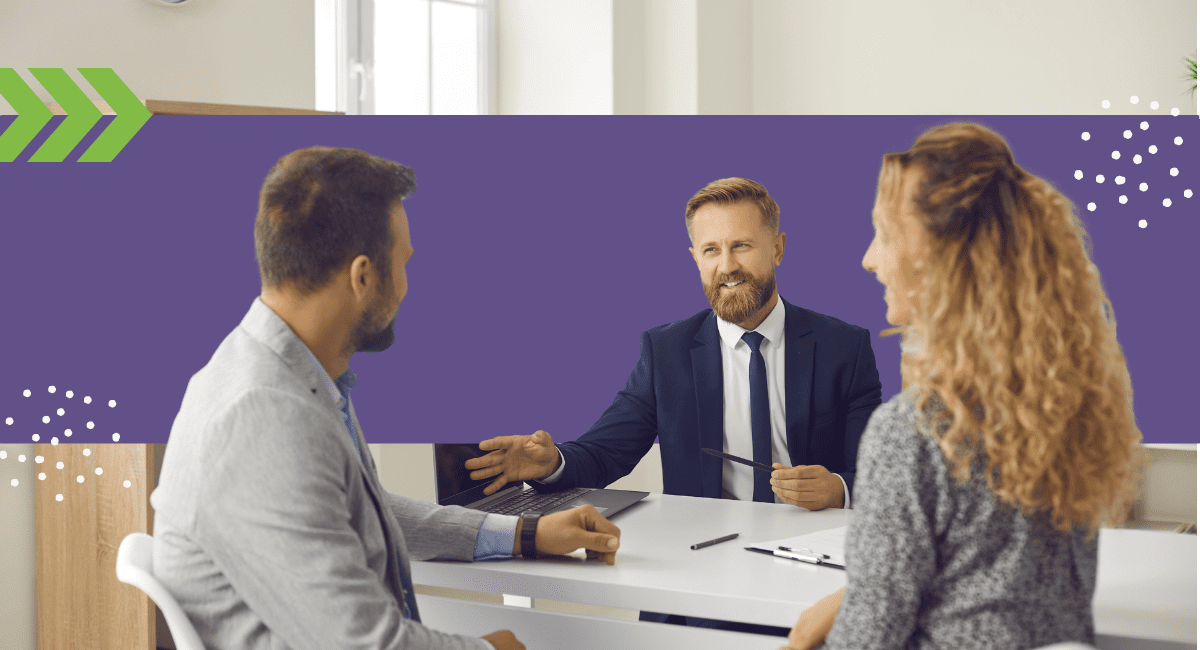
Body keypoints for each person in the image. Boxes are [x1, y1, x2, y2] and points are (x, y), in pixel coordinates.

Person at [150, 147, 621, 650]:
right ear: (362, 276)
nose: (405, 287)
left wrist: (526, 533)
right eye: (403, 264)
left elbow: (354, 510)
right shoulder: (264, 414)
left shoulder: (287, 372)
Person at [781, 123, 1143, 650]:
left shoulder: (912, 432)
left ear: (936, 257)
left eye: (884, 234)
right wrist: (858, 593)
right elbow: (992, 580)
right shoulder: (1065, 402)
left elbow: (865, 642)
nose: (870, 258)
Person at [467, 177, 883, 633]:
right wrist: (553, 462)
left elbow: (880, 482)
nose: (727, 266)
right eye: (711, 251)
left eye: (742, 246)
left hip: (811, 579)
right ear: (695, 259)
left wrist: (838, 489)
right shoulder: (665, 351)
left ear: (778, 248)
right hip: (697, 578)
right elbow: (607, 452)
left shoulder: (846, 347)